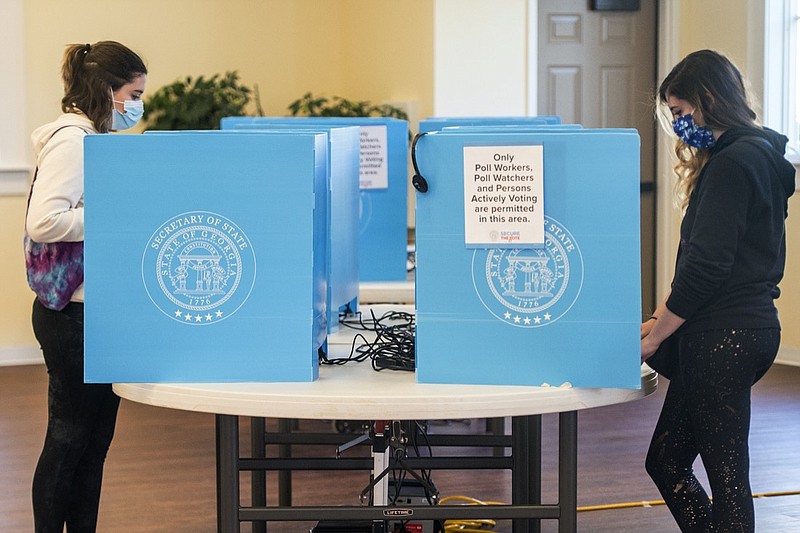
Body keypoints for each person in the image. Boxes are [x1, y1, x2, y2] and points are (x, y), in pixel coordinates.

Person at [640, 49, 795, 532]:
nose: (680, 126)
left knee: (728, 479)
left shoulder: (733, 164)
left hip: (722, 338)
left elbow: (706, 267)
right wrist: (661, 317)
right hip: (744, 330)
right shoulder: (760, 157)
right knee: (666, 460)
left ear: (709, 100)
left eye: (682, 112)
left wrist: (658, 332)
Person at [26, 41, 147, 533]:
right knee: (69, 441)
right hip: (70, 316)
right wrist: (117, 217)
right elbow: (44, 221)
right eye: (133, 94)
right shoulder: (73, 141)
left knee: (93, 444)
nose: (137, 105)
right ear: (107, 90)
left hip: (91, 311)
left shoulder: (89, 138)